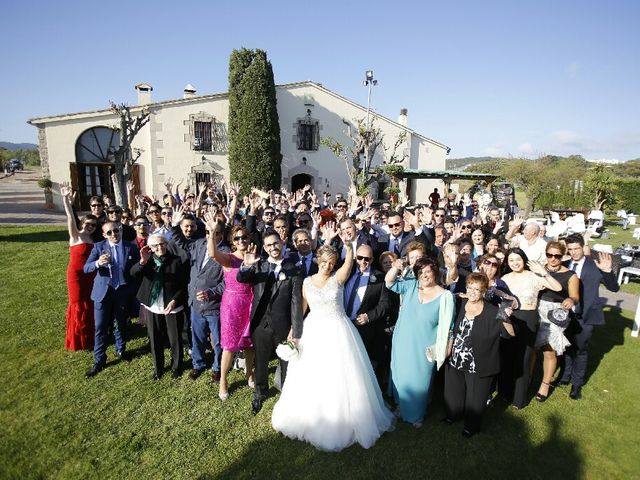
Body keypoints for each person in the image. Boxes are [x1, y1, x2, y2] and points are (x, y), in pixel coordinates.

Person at [271, 236, 395, 452]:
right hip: (314, 331)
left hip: (339, 331)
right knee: (312, 373)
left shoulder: (338, 278)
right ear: (319, 260)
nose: (328, 266)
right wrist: (294, 331)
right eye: (325, 262)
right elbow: (301, 309)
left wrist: (348, 245)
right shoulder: (307, 282)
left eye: (332, 262)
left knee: (340, 373)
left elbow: (348, 262)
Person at [237, 231, 303, 414]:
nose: (273, 247)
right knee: (261, 360)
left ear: (282, 243)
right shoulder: (259, 267)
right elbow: (241, 279)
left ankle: (287, 392)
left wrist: (296, 330)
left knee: (286, 361)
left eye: (276, 243)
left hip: (283, 324)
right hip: (261, 324)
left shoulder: (294, 268)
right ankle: (260, 392)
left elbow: (296, 301)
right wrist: (246, 266)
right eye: (269, 245)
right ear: (264, 248)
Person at [385, 256, 454, 428]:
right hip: (403, 340)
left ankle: (417, 414)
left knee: (420, 379)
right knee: (400, 375)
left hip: (425, 345)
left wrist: (446, 347)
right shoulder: (411, 286)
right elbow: (389, 282)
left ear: (435, 272)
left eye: (428, 271)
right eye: (421, 272)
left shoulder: (445, 296)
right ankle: (401, 405)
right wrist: (395, 267)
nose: (424, 275)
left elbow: (449, 325)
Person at [444, 273, 515, 437]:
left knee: (475, 398)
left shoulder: (492, 311)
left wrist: (505, 316)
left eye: (477, 289)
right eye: (469, 288)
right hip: (455, 358)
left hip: (479, 362)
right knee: (454, 392)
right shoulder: (460, 303)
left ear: (484, 292)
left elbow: (510, 334)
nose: (472, 292)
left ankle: (471, 426)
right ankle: (453, 415)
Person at [555, 234, 619, 400]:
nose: (574, 252)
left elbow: (613, 288)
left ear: (583, 247)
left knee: (580, 350)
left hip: (586, 315)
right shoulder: (565, 264)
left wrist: (607, 271)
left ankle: (577, 384)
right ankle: (565, 376)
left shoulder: (595, 265)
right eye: (570, 249)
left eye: (577, 248)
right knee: (566, 347)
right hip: (565, 315)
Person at [499, 248, 561, 408]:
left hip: (529, 318)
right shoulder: (505, 278)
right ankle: (504, 393)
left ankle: (519, 399)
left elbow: (557, 287)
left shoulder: (533, 276)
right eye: (511, 260)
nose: (515, 263)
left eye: (518, 259)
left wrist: (543, 272)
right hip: (510, 318)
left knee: (524, 358)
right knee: (507, 357)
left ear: (524, 259)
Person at [83, 221, 140, 377]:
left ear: (120, 230)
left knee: (121, 323)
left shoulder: (132, 247)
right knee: (101, 327)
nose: (114, 234)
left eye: (116, 230)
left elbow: (135, 271)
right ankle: (99, 360)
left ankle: (121, 350)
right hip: (103, 292)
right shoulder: (99, 247)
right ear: (104, 235)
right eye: (109, 232)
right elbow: (86, 268)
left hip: (122, 292)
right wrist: (97, 263)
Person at [208, 223, 256, 401]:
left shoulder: (255, 256)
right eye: (237, 238)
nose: (241, 240)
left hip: (251, 302)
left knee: (250, 343)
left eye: (244, 237)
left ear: (249, 239)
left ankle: (249, 373)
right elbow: (212, 254)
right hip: (232, 305)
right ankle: (223, 380)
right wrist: (212, 233)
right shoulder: (228, 258)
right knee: (229, 345)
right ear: (232, 241)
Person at [131, 234, 189, 379]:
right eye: (155, 245)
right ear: (150, 247)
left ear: (166, 244)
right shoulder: (148, 261)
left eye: (162, 244)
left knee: (175, 338)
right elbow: (133, 274)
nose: (160, 247)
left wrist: (175, 300)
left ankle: (177, 367)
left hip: (172, 305)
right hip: (153, 306)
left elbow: (183, 284)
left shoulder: (176, 261)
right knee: (155, 338)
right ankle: (158, 368)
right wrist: (142, 262)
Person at [534, 241, 579, 402]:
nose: (553, 259)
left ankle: (545, 384)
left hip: (555, 313)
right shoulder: (538, 268)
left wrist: (571, 299)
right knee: (532, 347)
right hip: (536, 309)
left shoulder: (570, 275)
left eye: (557, 256)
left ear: (563, 256)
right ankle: (529, 379)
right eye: (549, 255)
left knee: (549, 349)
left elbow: (575, 296)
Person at [187, 219, 226, 384]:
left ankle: (218, 368)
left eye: (216, 233)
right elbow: (180, 243)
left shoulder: (225, 253)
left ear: (221, 234)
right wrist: (175, 226)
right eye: (209, 232)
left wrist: (211, 293)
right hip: (195, 304)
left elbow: (226, 283)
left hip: (213, 306)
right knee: (197, 336)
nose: (212, 236)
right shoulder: (199, 245)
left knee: (217, 340)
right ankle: (198, 363)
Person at [60, 182, 97, 351]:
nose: (90, 226)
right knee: (77, 303)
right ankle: (78, 338)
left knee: (89, 303)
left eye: (93, 225)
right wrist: (66, 201)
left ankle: (91, 335)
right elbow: (70, 219)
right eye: (87, 223)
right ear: (82, 223)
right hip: (76, 276)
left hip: (90, 274)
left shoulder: (93, 240)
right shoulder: (76, 236)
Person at [344, 244, 389, 370]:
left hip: (364, 329)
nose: (363, 261)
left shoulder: (380, 277)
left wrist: (368, 317)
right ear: (355, 258)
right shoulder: (346, 271)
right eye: (360, 257)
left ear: (372, 260)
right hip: (343, 325)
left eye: (367, 259)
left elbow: (384, 304)